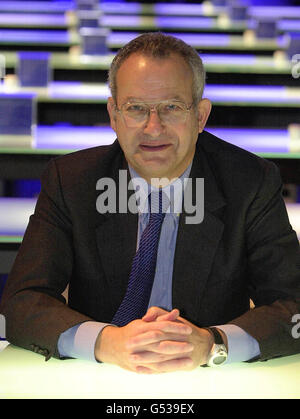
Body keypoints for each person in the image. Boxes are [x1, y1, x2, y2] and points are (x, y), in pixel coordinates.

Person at [1, 33, 300, 374]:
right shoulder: (71, 180)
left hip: (209, 379)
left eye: (171, 108)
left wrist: (214, 344)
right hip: (97, 374)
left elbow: (294, 306)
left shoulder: (250, 182)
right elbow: (19, 304)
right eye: (136, 108)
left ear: (200, 116)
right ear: (114, 115)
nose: (153, 128)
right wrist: (104, 341)